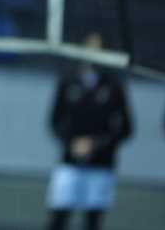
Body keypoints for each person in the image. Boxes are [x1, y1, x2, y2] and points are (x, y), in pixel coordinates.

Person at [45, 32, 133, 230]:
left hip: (101, 165)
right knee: (58, 218)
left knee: (93, 222)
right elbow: (55, 122)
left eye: (99, 50)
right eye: (90, 49)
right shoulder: (68, 81)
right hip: (70, 163)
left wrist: (96, 144)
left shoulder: (114, 86)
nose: (94, 54)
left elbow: (126, 128)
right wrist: (72, 144)